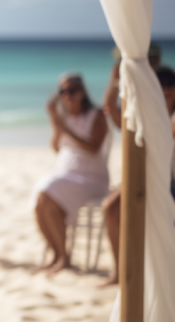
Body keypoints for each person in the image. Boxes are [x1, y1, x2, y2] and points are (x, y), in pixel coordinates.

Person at [101, 64, 175, 286]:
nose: (165, 92)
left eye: (169, 89)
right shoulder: (144, 115)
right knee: (111, 208)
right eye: (160, 88)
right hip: (145, 179)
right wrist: (116, 79)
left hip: (169, 182)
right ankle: (120, 271)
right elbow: (110, 109)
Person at [34, 73, 109, 275]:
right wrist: (55, 123)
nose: (67, 95)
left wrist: (64, 128)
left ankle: (63, 257)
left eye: (72, 90)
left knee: (47, 193)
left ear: (82, 91)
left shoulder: (96, 115)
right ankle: (58, 254)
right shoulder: (63, 118)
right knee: (40, 202)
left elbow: (93, 148)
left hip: (90, 177)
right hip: (65, 173)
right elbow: (57, 147)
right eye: (63, 91)